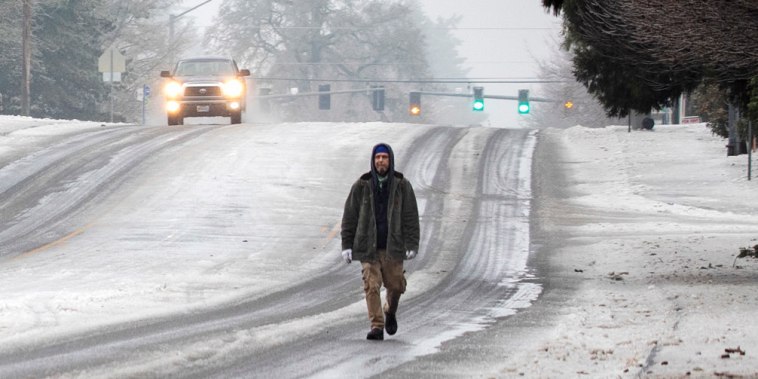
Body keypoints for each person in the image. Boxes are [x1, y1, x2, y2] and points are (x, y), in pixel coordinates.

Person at [341, 143, 420, 341]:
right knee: (372, 284)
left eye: (384, 157)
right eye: (377, 158)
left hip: (393, 246)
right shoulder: (361, 185)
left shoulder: (402, 185)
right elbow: (350, 216)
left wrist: (412, 244)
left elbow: (410, 216)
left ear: (390, 160)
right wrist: (347, 245)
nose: (381, 161)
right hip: (368, 247)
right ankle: (376, 326)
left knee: (396, 286)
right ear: (373, 160)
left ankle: (390, 311)